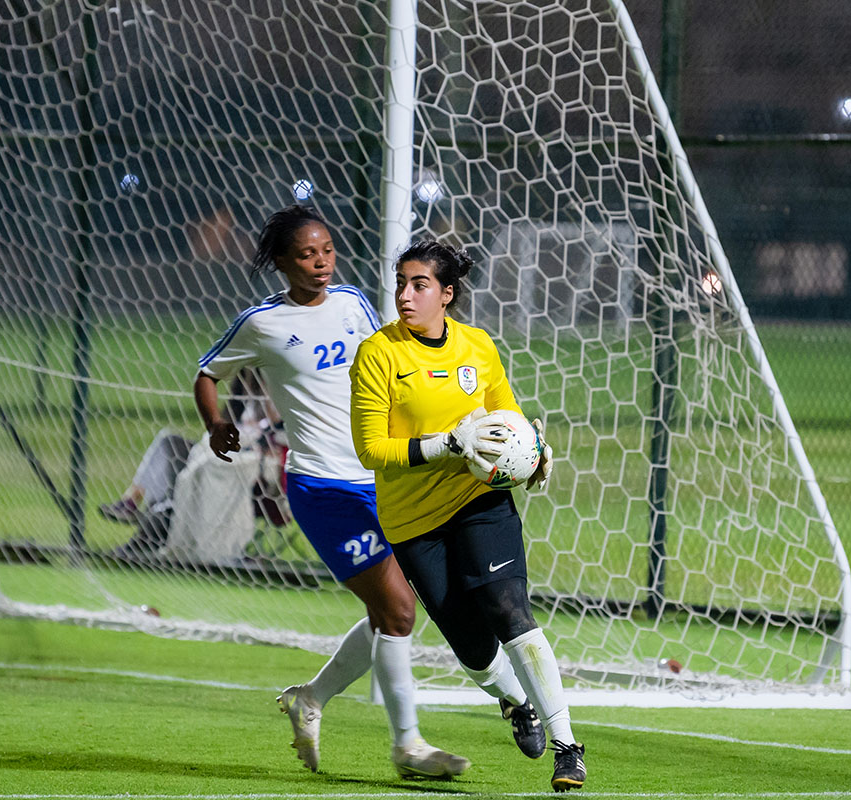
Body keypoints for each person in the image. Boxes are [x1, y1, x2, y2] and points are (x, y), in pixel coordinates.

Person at [193, 205, 469, 779]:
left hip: (381, 478)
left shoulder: (352, 304)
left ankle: (311, 698)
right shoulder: (262, 323)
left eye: (327, 250)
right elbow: (208, 372)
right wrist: (216, 423)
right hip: (321, 488)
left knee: (390, 609)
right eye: (306, 254)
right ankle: (408, 746)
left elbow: (392, 364)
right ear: (281, 262)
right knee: (398, 609)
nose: (321, 262)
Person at [349, 239, 586, 792]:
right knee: (473, 649)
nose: (405, 295)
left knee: (509, 610)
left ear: (447, 294)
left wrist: (535, 454)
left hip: (476, 499)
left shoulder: (477, 346)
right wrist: (445, 444)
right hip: (413, 520)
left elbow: (508, 416)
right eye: (401, 284)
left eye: (420, 285)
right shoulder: (378, 354)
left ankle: (568, 747)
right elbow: (370, 450)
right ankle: (517, 701)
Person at [99, 371, 289, 563]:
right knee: (171, 443)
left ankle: (156, 527)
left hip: (256, 465)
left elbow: (278, 429)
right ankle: (133, 502)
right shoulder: (245, 387)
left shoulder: (285, 387)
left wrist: (269, 387)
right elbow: (225, 422)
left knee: (207, 466)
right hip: (225, 451)